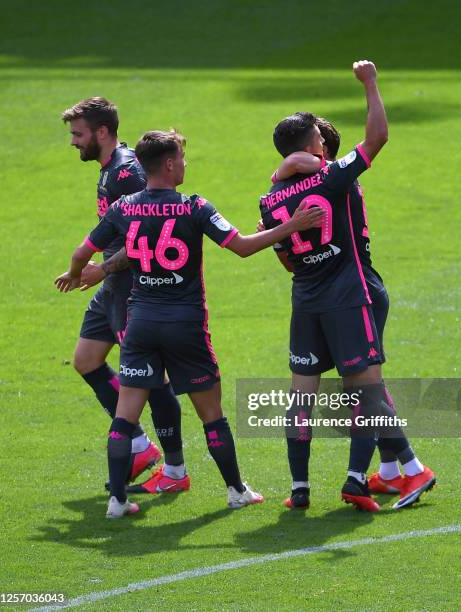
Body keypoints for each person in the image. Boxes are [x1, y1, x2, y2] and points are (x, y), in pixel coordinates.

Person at [55, 129, 323, 518]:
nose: (184, 164)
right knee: (211, 413)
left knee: (125, 415)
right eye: (181, 158)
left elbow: (83, 251)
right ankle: (235, 490)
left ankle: (117, 501)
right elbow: (243, 246)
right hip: (186, 325)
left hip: (141, 322)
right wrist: (291, 225)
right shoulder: (194, 207)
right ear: (168, 164)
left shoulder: (124, 207)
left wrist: (79, 271)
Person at [259, 61, 435, 511]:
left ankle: (321, 484)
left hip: (307, 298)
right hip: (352, 291)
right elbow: (376, 140)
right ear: (313, 146)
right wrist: (371, 83)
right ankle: (407, 470)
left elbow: (284, 260)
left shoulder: (269, 198)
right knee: (366, 387)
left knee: (316, 394)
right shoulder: (334, 178)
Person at [57, 98, 187, 492]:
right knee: (86, 359)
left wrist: (101, 267)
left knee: (153, 379)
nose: (74, 142)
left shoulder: (127, 174)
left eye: (78, 135)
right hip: (112, 287)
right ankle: (138, 444)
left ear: (101, 132)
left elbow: (149, 235)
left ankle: (176, 470)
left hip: (132, 289)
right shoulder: (108, 169)